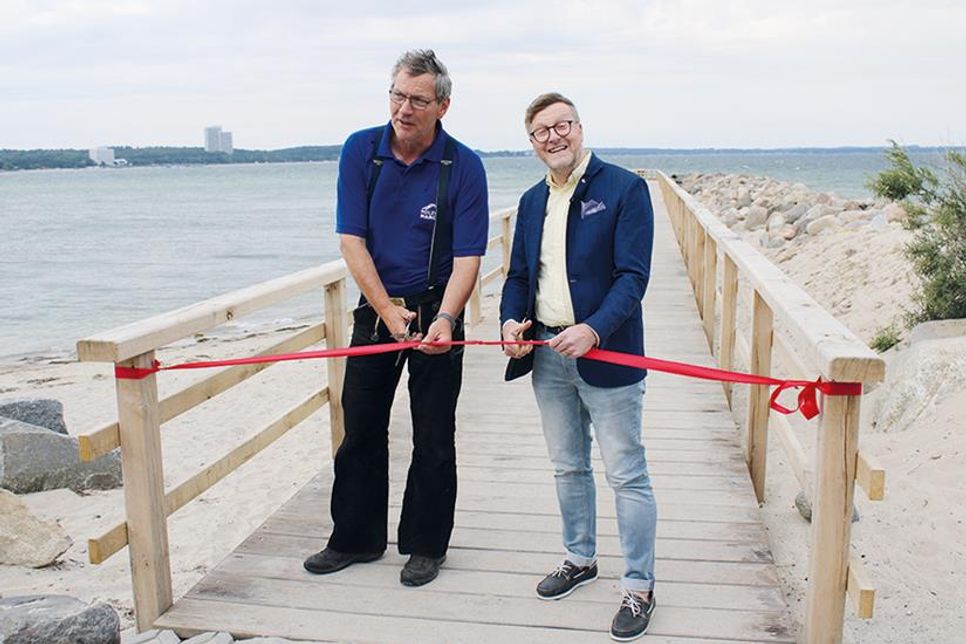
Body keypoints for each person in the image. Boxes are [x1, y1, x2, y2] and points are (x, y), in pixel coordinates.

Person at [303, 49, 488, 587]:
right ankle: (354, 540)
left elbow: (470, 256)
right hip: (377, 309)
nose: (405, 109)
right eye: (398, 96)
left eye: (419, 100)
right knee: (360, 427)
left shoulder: (463, 164)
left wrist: (448, 317)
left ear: (443, 106)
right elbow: (351, 239)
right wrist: (386, 312)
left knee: (434, 434)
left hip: (439, 313)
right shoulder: (362, 149)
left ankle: (426, 546)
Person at [500, 92, 657, 641]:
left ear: (580, 127)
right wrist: (510, 324)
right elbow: (519, 277)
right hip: (547, 357)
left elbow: (632, 277)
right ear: (533, 143)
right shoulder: (530, 201)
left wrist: (593, 329)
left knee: (626, 473)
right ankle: (579, 559)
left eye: (562, 125)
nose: (554, 137)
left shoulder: (625, 189)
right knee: (568, 467)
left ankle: (639, 587)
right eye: (542, 131)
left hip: (608, 355)